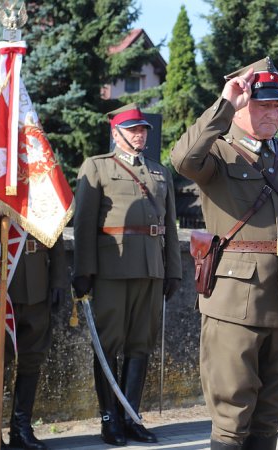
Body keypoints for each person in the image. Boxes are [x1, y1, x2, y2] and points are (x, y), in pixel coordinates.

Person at [171, 57, 278, 450]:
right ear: (242, 106)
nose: (272, 113)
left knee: (271, 414)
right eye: (262, 104)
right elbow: (182, 160)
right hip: (235, 302)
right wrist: (225, 103)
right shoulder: (217, 153)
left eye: (277, 106)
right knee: (231, 418)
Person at [72, 103, 182, 446]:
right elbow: (85, 223)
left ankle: (131, 417)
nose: (140, 134)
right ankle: (110, 420)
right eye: (133, 129)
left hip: (151, 270)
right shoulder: (97, 167)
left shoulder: (159, 172)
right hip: (112, 270)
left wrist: (173, 270)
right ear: (116, 133)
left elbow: (171, 227)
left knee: (140, 346)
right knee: (108, 347)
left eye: (143, 129)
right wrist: (84, 270)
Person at [0, 203, 67, 450]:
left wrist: (58, 279)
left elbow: (55, 226)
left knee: (32, 357)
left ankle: (21, 428)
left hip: (36, 282)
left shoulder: (40, 175)